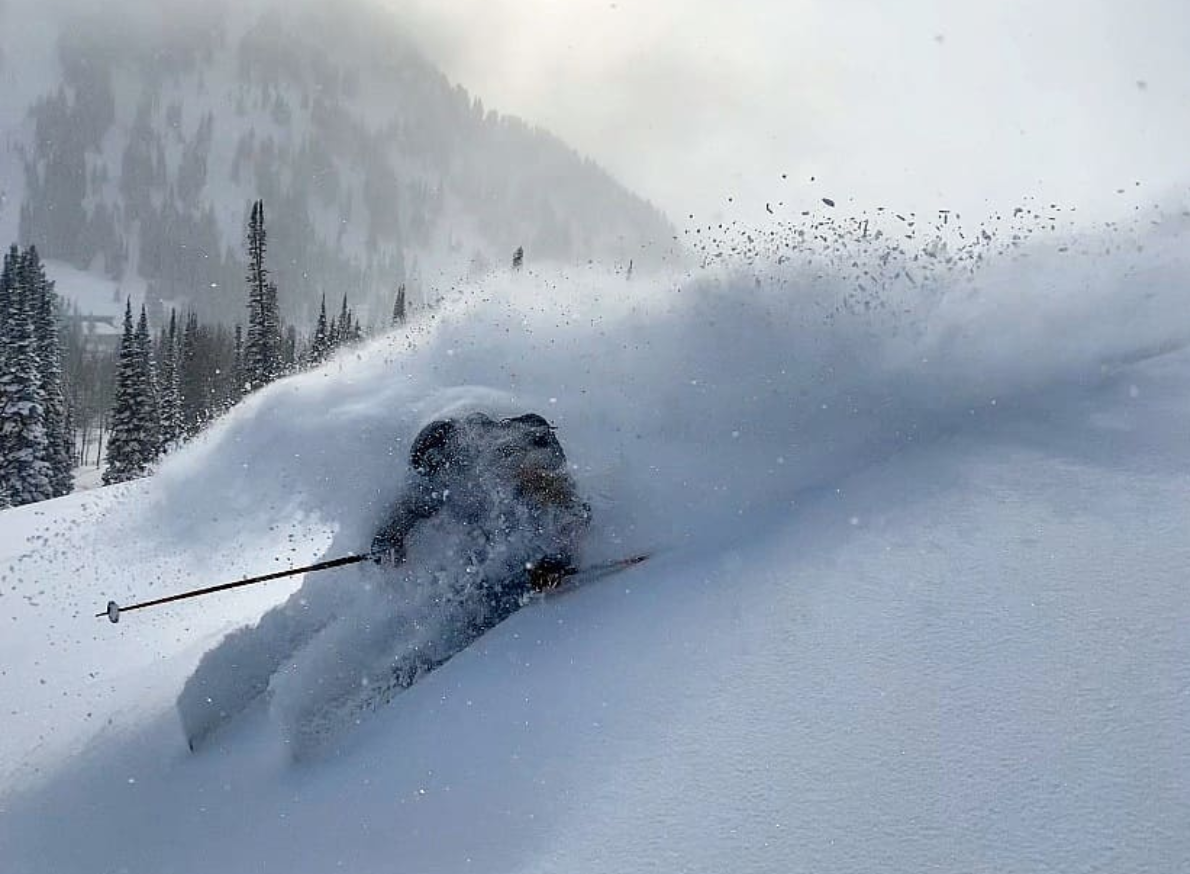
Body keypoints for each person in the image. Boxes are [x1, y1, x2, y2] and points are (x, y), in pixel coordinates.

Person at [370, 411, 590, 635]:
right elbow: (413, 505)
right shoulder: (443, 483)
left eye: (442, 468)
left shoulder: (510, 455)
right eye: (434, 475)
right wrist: (389, 537)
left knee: (539, 492)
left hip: (543, 524)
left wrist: (558, 561)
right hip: (503, 542)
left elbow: (566, 507)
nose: (440, 479)